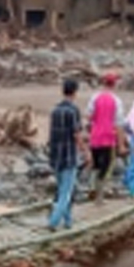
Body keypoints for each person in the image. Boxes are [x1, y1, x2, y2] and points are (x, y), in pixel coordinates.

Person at [47, 78, 83, 230]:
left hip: (56, 156)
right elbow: (77, 134)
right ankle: (53, 222)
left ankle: (68, 222)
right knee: (66, 193)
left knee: (62, 188)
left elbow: (52, 135)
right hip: (69, 156)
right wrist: (86, 151)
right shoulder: (73, 111)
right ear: (74, 92)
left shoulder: (55, 111)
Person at [86, 72, 122, 199]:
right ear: (114, 84)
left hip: (95, 136)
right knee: (107, 166)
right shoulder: (116, 101)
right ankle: (99, 194)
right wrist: (121, 144)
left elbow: (89, 116)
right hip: (108, 138)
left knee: (96, 164)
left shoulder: (94, 98)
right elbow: (118, 124)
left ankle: (92, 187)